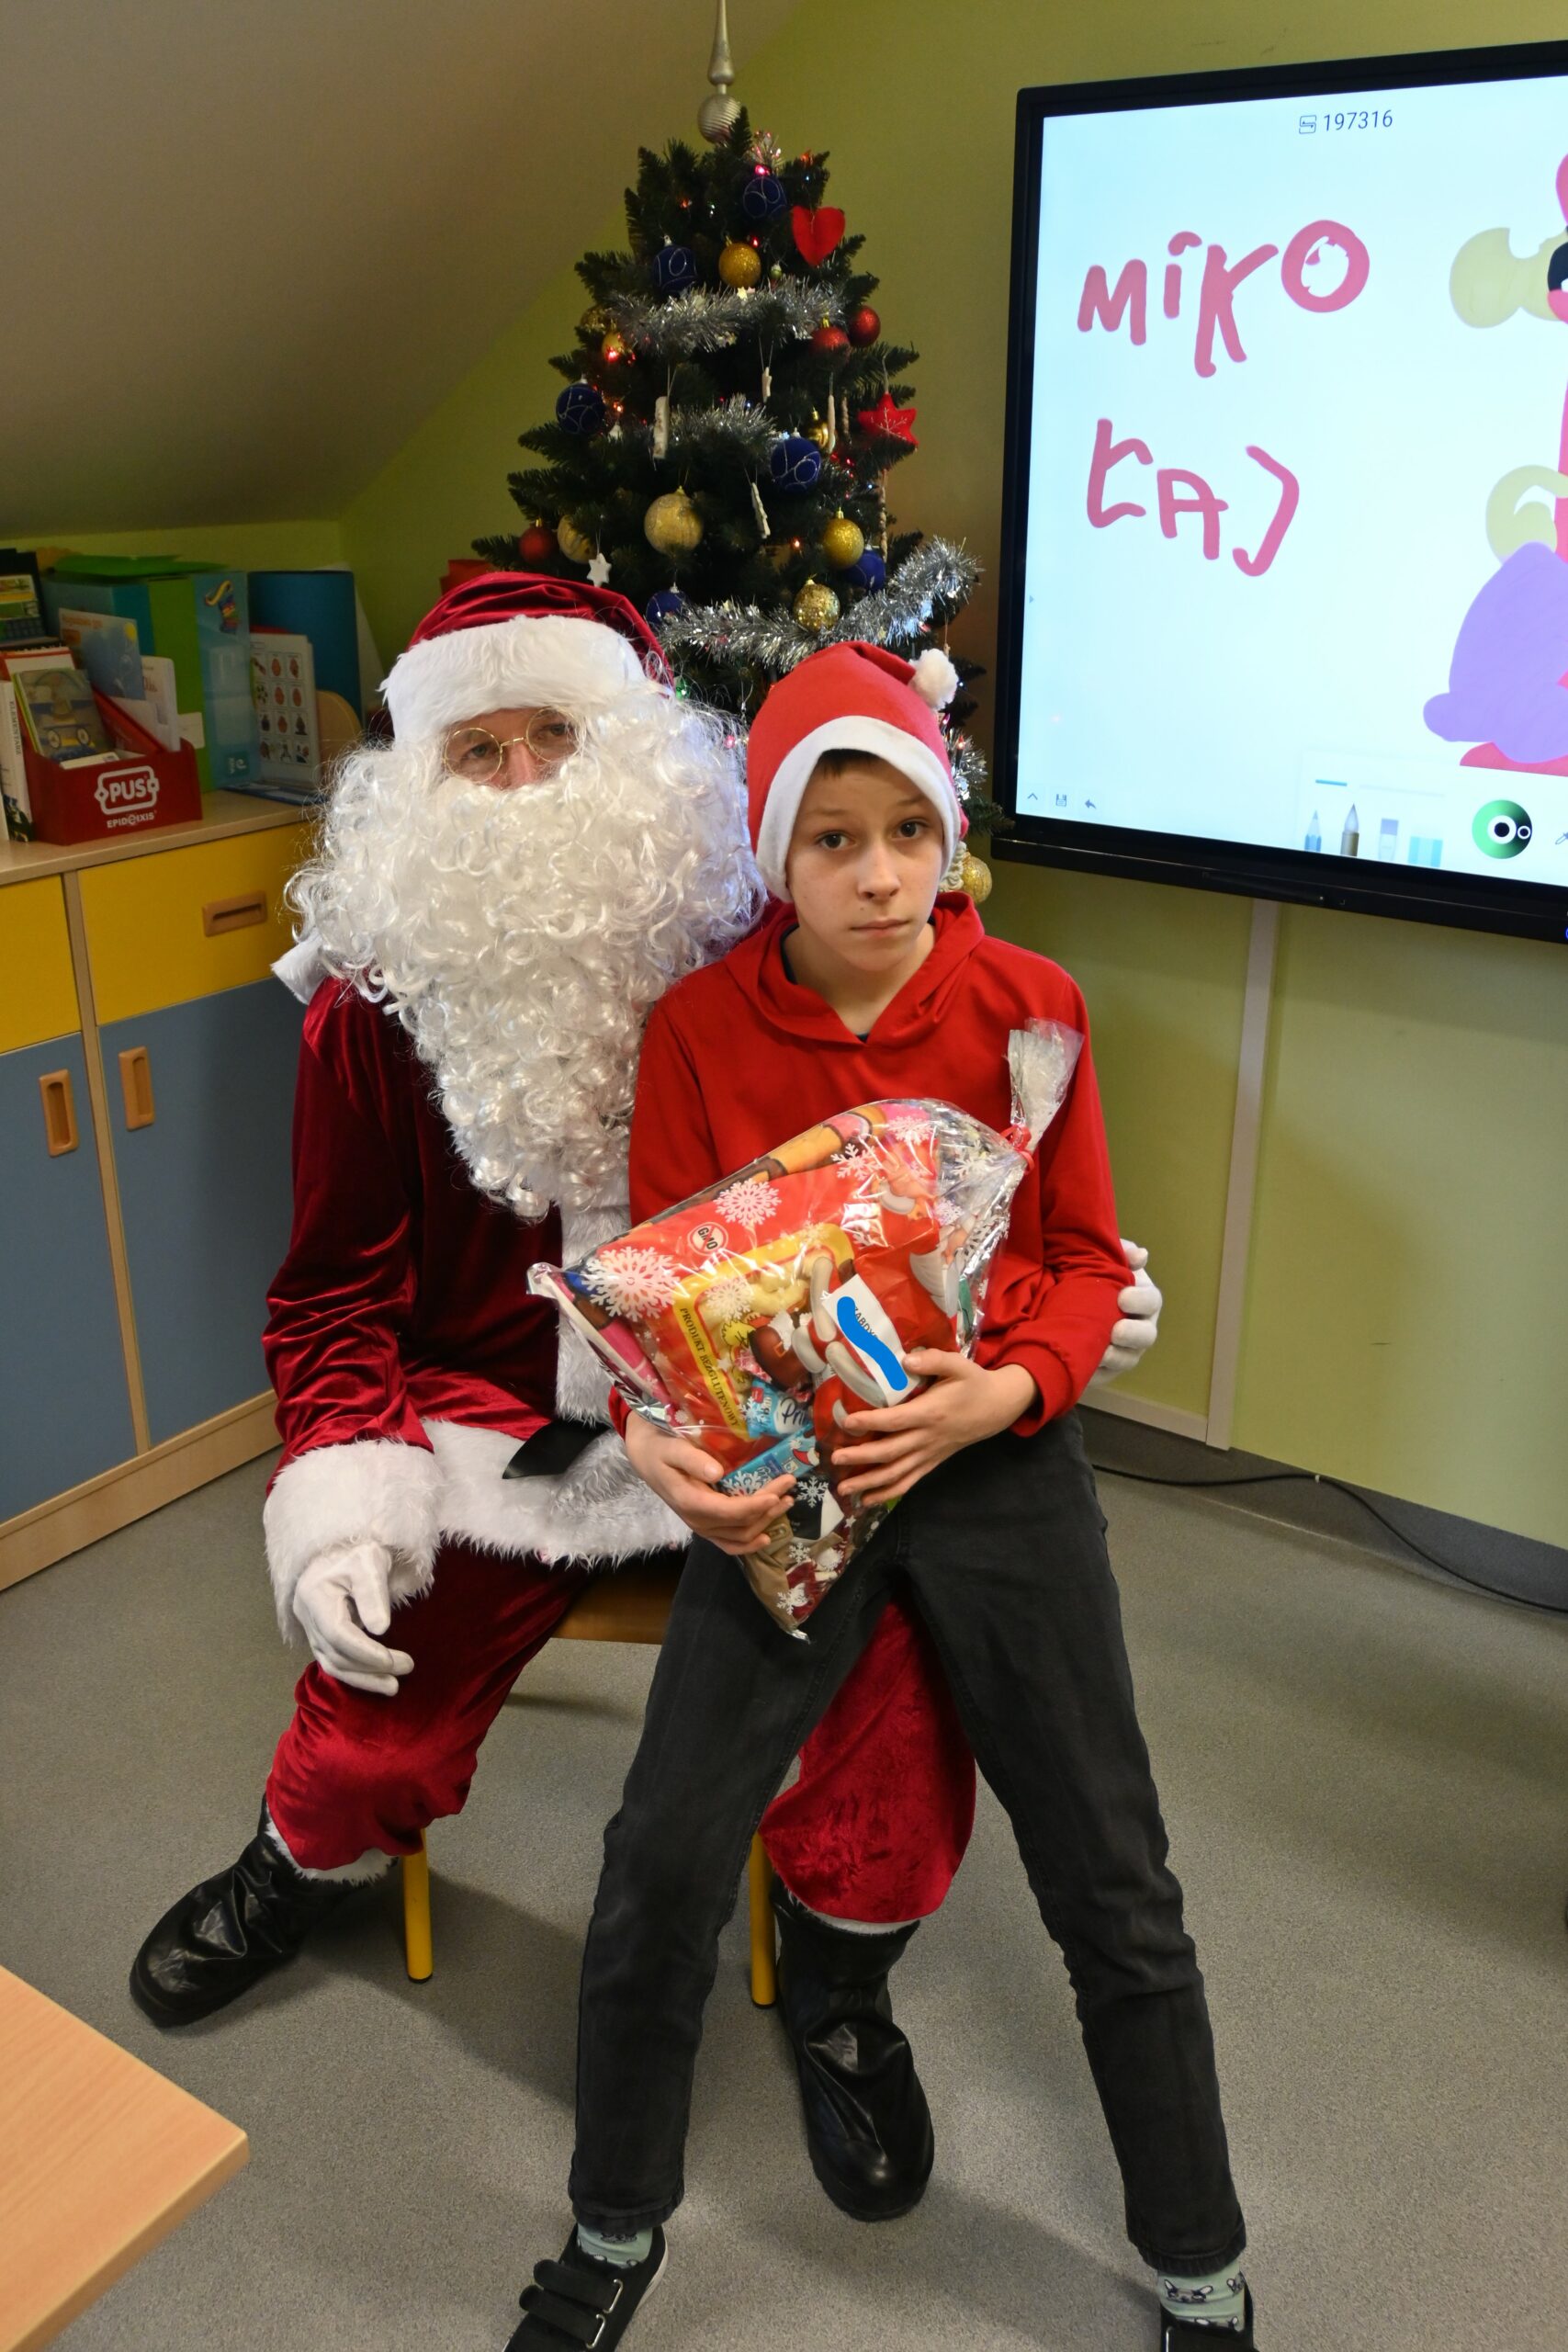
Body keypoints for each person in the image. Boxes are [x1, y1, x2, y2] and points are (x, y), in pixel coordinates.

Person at [129, 571, 1161, 2222]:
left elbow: (936, 1138)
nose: (525, 784)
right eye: (479, 752)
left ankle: (841, 1980)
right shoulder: (370, 1011)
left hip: (775, 1418)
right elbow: (331, 1291)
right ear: (420, 784)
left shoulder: (755, 939)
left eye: (556, 735)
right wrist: (340, 1488)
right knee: (374, 1716)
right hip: (499, 1437)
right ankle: (296, 1866)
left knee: (898, 1710)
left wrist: (1053, 1305)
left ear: (638, 757)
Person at [506, 641, 1255, 2351]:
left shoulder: (1032, 1006)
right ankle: (612, 2227)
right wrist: (674, 1458)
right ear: (778, 853)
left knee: (1112, 1872)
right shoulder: (701, 1031)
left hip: (990, 1454)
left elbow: (1083, 1260)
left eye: (908, 829)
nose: (878, 874)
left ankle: (1201, 2265)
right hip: (787, 1474)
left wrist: (1003, 1392)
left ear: (951, 835)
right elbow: (666, 1301)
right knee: (660, 1858)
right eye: (832, 838)